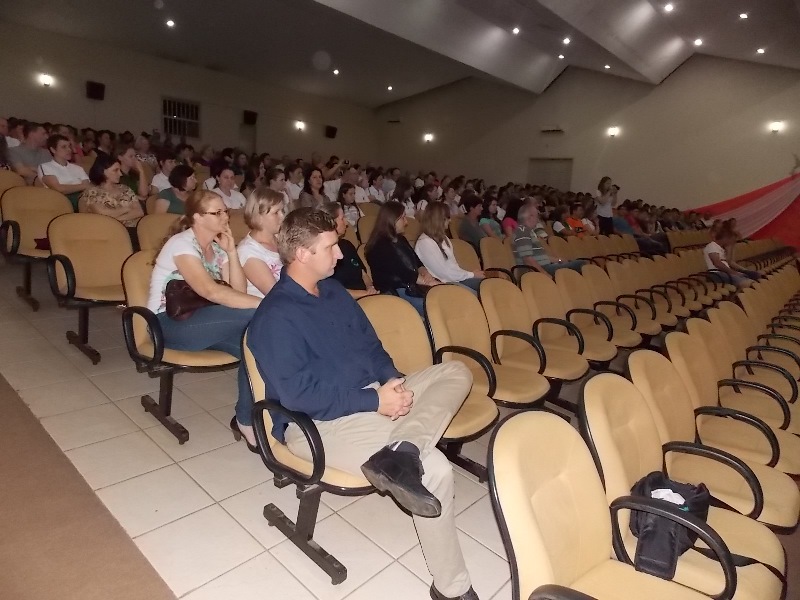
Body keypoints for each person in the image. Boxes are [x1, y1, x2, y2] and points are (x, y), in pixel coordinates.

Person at [247, 207, 479, 600]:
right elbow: (299, 396)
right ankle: (451, 588)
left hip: (371, 394)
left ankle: (403, 449)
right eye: (330, 247)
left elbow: (372, 347)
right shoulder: (275, 317)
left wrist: (392, 381)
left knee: (456, 371)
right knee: (436, 469)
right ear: (302, 254)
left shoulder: (334, 292)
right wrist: (375, 401)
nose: (340, 254)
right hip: (320, 422)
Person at [148, 190, 260, 445]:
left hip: (205, 323)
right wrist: (267, 305)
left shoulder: (217, 249)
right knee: (257, 313)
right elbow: (210, 291)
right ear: (197, 217)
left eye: (225, 211)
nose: (225, 217)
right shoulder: (182, 244)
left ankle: (245, 419)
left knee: (258, 346)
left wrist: (232, 252)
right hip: (168, 324)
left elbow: (239, 291)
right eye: (217, 212)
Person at [365, 202, 440, 316]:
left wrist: (425, 272)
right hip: (396, 291)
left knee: (443, 300)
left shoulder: (401, 239)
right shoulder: (379, 246)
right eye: (403, 218)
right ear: (392, 220)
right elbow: (404, 273)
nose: (406, 222)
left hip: (411, 286)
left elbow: (417, 262)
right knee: (437, 307)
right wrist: (431, 283)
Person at [79, 153, 144, 248]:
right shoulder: (91, 192)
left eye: (120, 170)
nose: (120, 174)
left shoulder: (125, 189)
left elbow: (139, 212)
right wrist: (127, 209)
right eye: (115, 170)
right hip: (105, 233)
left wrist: (116, 219)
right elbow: (103, 214)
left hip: (132, 230)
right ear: (103, 171)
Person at [416, 203, 484, 293]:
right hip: (442, 284)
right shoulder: (425, 242)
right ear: (440, 219)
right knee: (477, 295)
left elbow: (453, 267)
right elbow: (445, 272)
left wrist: (471, 275)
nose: (450, 220)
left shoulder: (444, 238)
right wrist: (472, 274)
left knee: (487, 285)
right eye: (448, 217)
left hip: (453, 280)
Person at [319, 201, 378, 298]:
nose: (346, 223)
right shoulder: (323, 255)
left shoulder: (347, 245)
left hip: (366, 295)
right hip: (346, 300)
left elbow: (363, 273)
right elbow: (333, 291)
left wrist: (370, 287)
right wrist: (366, 294)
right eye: (342, 218)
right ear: (331, 222)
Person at [511, 203, 587, 276]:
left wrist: (559, 260)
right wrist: (545, 274)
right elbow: (527, 260)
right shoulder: (522, 231)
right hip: (537, 271)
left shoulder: (528, 232)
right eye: (537, 216)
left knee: (574, 263)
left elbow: (542, 258)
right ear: (530, 217)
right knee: (580, 264)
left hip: (544, 266)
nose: (538, 220)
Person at [237, 188, 285, 298]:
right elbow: (276, 294)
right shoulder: (248, 251)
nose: (282, 216)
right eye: (276, 212)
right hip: (273, 305)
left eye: (282, 211)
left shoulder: (282, 238)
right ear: (259, 217)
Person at [37, 134, 90, 210]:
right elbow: (59, 188)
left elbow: (87, 186)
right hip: (60, 201)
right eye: (64, 147)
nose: (69, 150)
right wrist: (83, 186)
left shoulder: (78, 168)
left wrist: (83, 187)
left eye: (69, 146)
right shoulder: (45, 167)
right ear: (53, 150)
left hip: (82, 198)